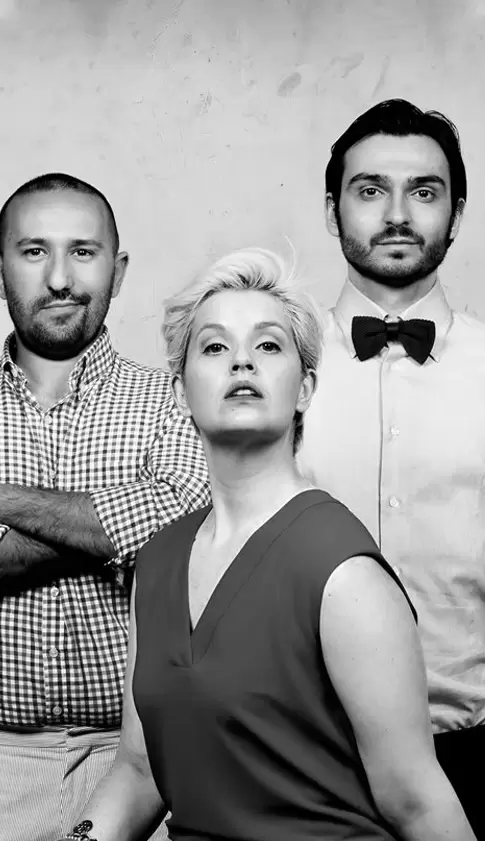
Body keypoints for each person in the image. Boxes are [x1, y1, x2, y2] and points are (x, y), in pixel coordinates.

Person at [61, 248, 475, 841]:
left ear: (305, 388)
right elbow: (139, 770)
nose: (242, 361)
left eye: (268, 345)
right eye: (214, 347)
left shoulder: (343, 573)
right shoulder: (158, 559)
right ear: (179, 392)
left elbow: (417, 802)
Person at [0, 172, 209, 841]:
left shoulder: (175, 397)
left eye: (83, 252)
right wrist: (116, 530)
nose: (60, 279)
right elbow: (156, 523)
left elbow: (186, 513)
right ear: (0, 267)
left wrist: (6, 501)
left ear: (117, 272)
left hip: (151, 764)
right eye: (35, 251)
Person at [297, 98, 485, 836]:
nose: (398, 214)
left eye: (424, 192)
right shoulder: (271, 366)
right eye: (371, 189)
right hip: (303, 755)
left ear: (457, 214)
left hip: (470, 753)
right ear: (331, 209)